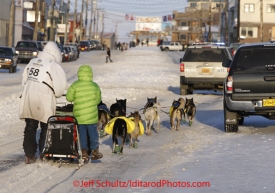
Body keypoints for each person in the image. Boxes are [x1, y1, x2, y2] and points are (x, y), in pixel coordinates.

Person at [19, 41, 67, 164]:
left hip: (29, 96)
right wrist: (56, 94)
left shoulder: (32, 62)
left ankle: (29, 155)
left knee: (30, 126)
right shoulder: (54, 66)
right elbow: (60, 88)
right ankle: (44, 152)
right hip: (45, 98)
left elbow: (24, 80)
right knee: (46, 126)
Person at [66, 65, 103, 162]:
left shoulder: (75, 85)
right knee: (93, 134)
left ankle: (84, 152)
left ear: (79, 74)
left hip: (79, 116)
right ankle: (95, 151)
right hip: (91, 116)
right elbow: (98, 101)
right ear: (91, 74)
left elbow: (69, 98)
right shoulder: (95, 86)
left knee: (82, 134)